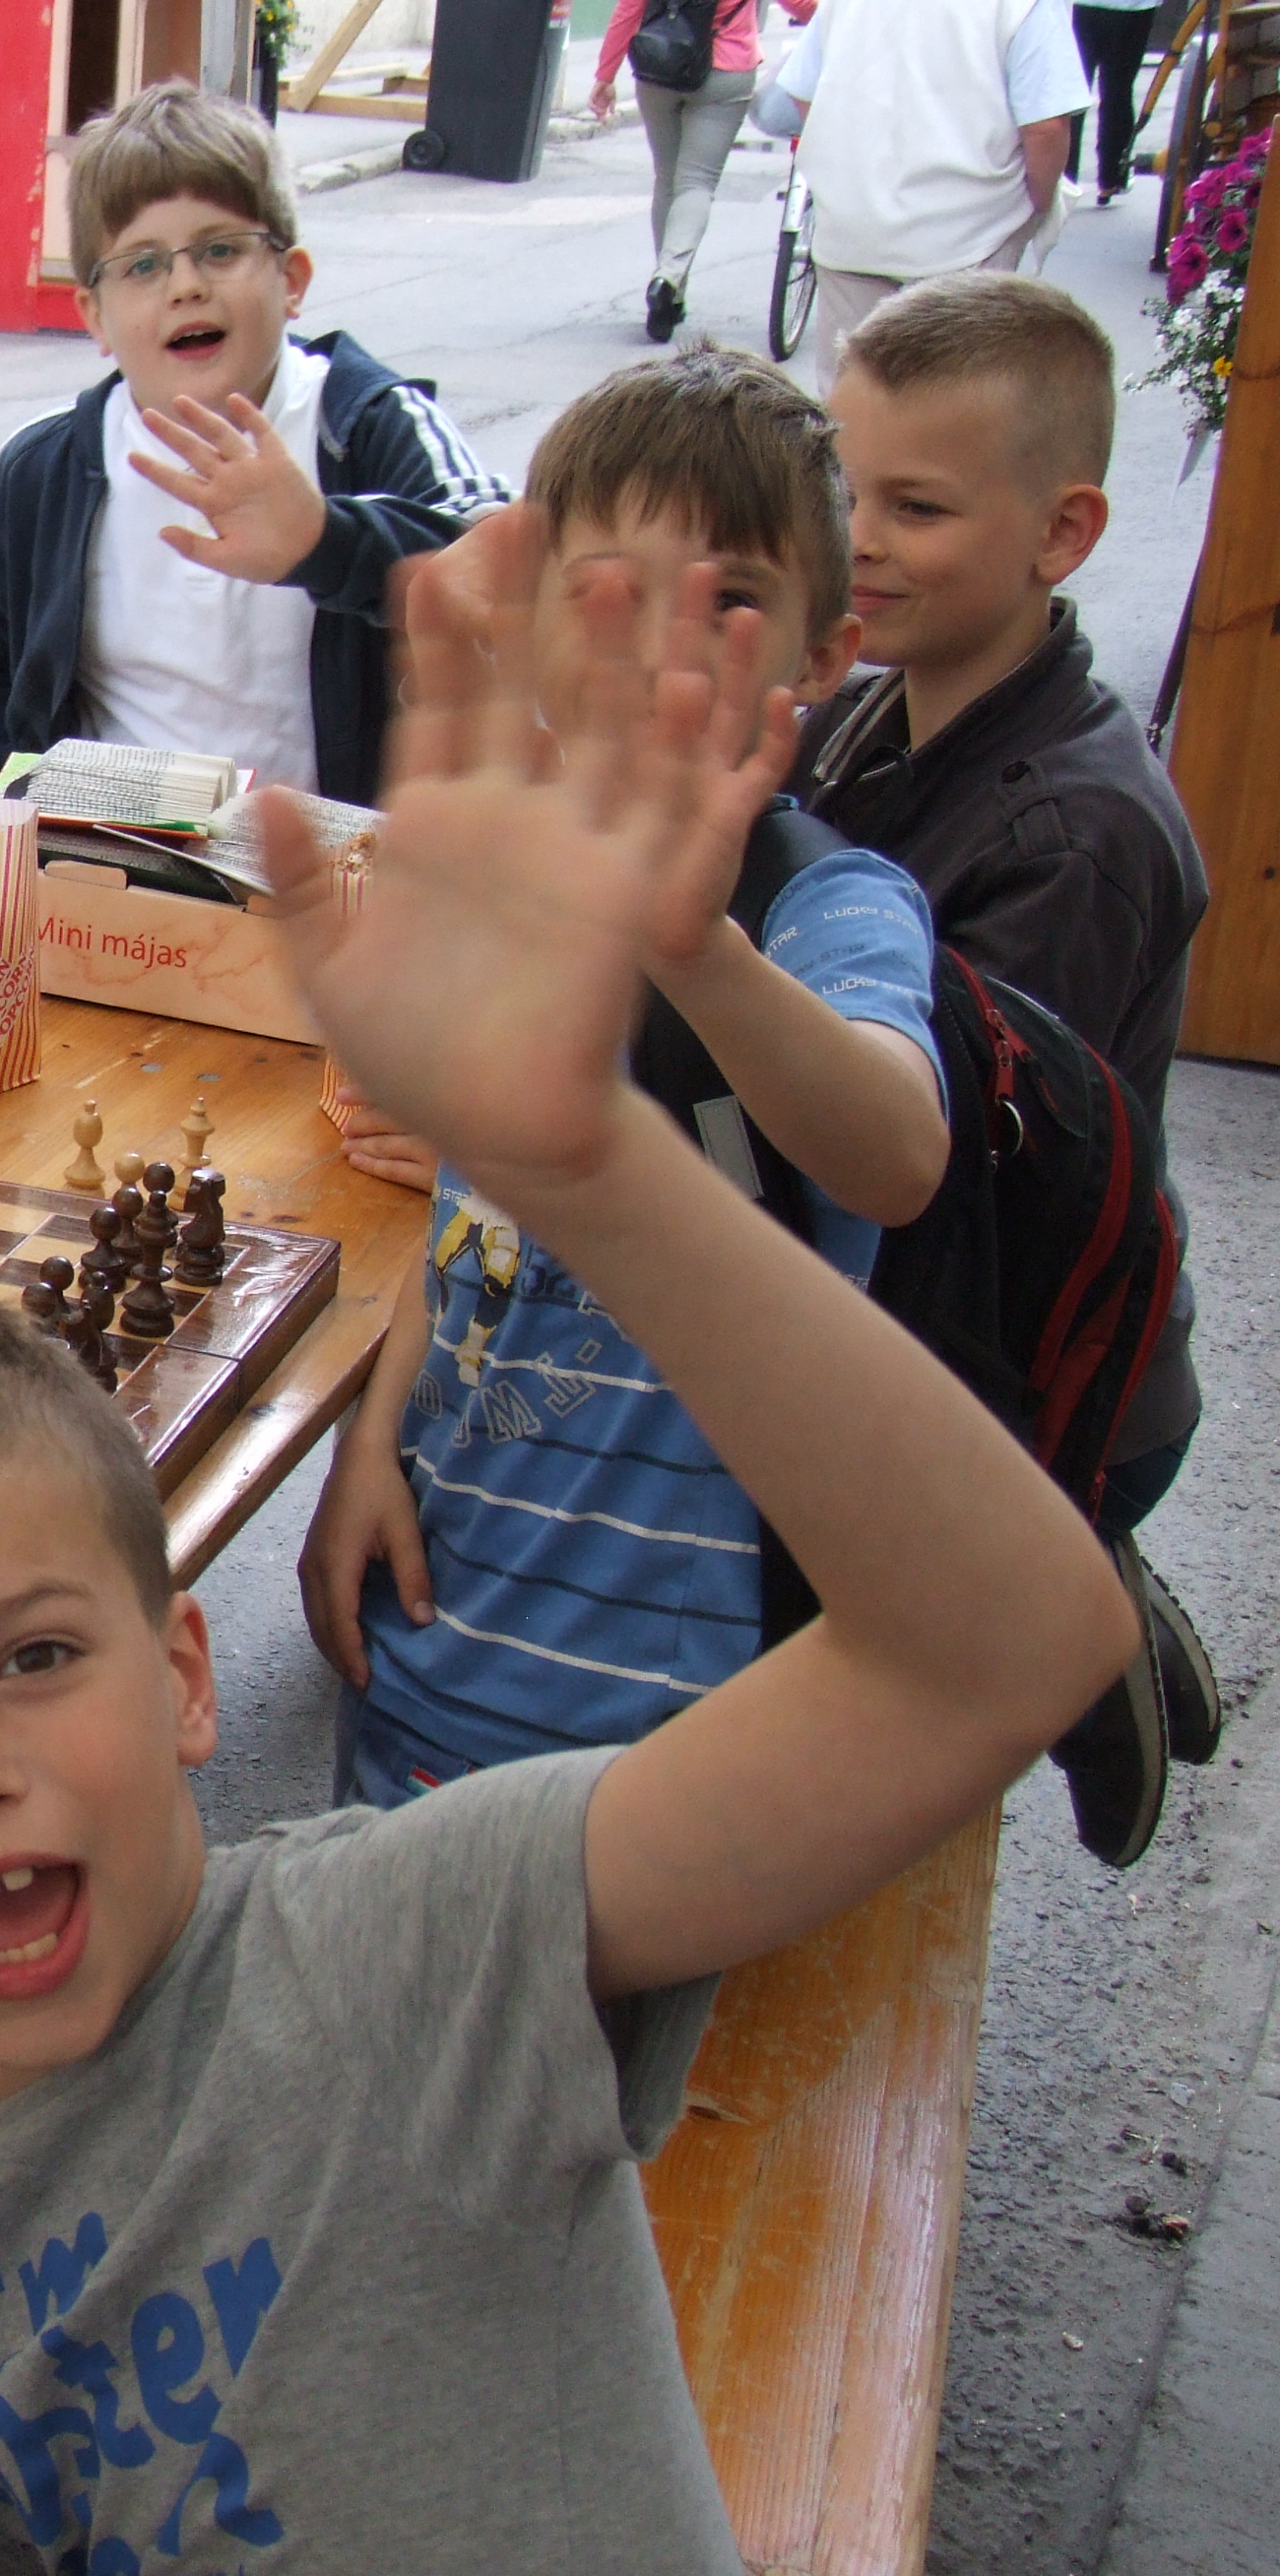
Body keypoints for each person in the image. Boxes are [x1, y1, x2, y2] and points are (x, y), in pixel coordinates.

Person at [0, 512, 1134, 2573]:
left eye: (37, 1654)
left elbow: (1008, 1643)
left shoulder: (417, 1952)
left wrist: (580, 1165)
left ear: (186, 1675)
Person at [298, 351, 947, 1806]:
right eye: (605, 593)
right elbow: (470, 1216)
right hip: (432, 1650)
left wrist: (698, 950)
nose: (658, 646)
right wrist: (369, 1444)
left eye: (727, 600)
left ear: (823, 656)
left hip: (680, 1723)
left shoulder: (823, 905)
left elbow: (896, 1155)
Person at [800, 273, 1218, 1854]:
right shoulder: (869, 710)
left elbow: (955, 1192)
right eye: (843, 489)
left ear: (1063, 534)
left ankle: (1063, 1614)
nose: (857, 541)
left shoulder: (1074, 837)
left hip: (1035, 1371)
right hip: (945, 1305)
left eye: (915, 507)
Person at [0, 80, 507, 809]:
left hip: (327, 867)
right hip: (111, 861)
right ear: (94, 316)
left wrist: (324, 541)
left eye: (221, 250)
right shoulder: (44, 471)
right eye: (142, 265)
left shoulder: (363, 426)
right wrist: (4, 821)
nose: (185, 286)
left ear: (291, 281)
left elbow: (503, 566)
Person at [773, 0, 1091, 382]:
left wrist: (848, 166)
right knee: (956, 395)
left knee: (854, 394)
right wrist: (1040, 200)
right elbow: (1046, 125)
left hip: (854, 226)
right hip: (970, 230)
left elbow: (803, 90)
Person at [593, 0, 769, 343]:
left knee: (667, 179)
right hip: (726, 71)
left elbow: (628, 9)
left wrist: (605, 74)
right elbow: (802, 6)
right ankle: (668, 277)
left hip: (661, 64)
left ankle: (669, 300)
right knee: (697, 183)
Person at [1070, 0, 1154, 204]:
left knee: (1073, 93)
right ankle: (1111, 178)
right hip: (1131, 8)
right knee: (1118, 90)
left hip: (1081, 6)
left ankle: (1065, 178)